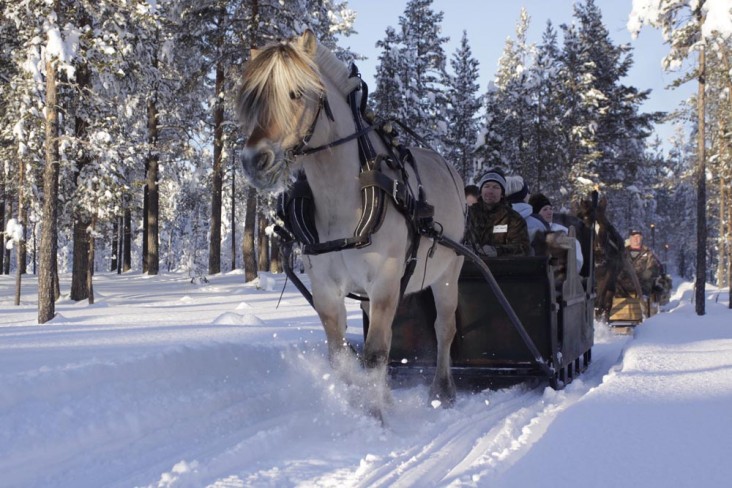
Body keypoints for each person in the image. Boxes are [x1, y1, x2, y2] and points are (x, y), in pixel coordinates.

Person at [465, 169, 529, 257]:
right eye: (486, 186)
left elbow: (523, 248)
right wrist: (466, 248)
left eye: (496, 187)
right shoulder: (467, 214)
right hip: (468, 267)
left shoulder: (514, 219)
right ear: (481, 191)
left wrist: (498, 251)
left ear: (502, 193)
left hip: (501, 268)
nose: (490, 191)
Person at [528, 193, 584, 270]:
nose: (549, 212)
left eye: (550, 209)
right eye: (545, 209)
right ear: (536, 213)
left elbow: (576, 254)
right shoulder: (530, 230)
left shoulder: (562, 231)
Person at [625, 230, 663, 297]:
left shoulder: (648, 253)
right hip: (624, 283)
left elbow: (653, 267)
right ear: (630, 238)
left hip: (643, 284)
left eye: (638, 237)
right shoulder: (622, 253)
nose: (636, 239)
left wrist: (643, 277)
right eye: (633, 237)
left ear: (641, 238)